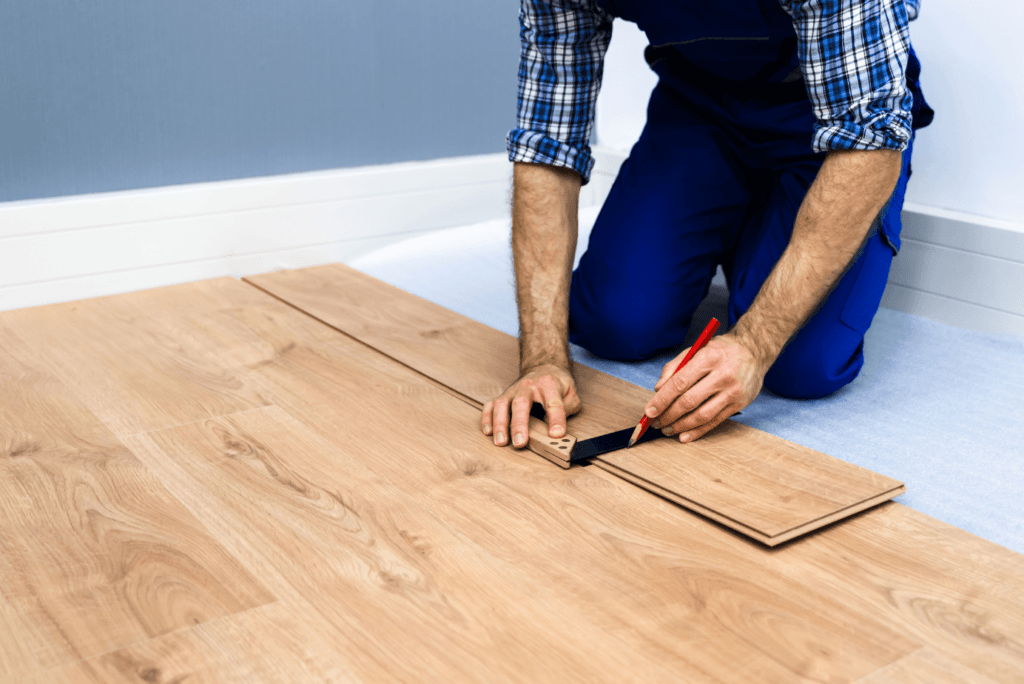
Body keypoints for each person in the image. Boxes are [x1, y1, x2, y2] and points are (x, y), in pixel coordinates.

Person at [481, 0, 933, 451]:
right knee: (613, 324)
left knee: (799, 366)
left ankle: (762, 229)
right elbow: (547, 144)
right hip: (699, 107)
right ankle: (750, 221)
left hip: (832, 118)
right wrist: (540, 358)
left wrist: (755, 343)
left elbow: (867, 145)